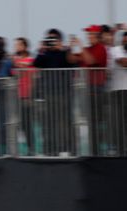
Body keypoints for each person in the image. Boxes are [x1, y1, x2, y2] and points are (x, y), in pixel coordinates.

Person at [34, 28, 78, 156]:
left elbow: (73, 61)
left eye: (54, 39)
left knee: (65, 122)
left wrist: (65, 49)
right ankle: (50, 150)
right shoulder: (45, 54)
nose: (51, 42)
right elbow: (36, 63)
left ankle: (69, 149)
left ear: (59, 40)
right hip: (49, 94)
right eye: (49, 39)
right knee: (49, 122)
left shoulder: (64, 53)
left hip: (64, 93)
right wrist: (41, 49)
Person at [73, 25, 109, 155]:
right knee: (89, 121)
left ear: (97, 36)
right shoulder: (87, 49)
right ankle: (93, 149)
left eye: (91, 34)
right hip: (87, 88)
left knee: (96, 120)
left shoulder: (101, 48)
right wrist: (71, 47)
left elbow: (91, 61)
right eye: (88, 34)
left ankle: (98, 149)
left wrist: (81, 47)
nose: (89, 36)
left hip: (97, 88)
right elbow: (72, 59)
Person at [12, 37, 36, 156]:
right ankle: (28, 148)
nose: (16, 47)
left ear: (25, 46)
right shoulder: (15, 59)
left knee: (27, 123)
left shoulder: (30, 59)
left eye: (19, 45)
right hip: (17, 96)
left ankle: (32, 148)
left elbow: (27, 66)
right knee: (21, 124)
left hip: (27, 96)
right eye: (16, 45)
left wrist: (16, 62)